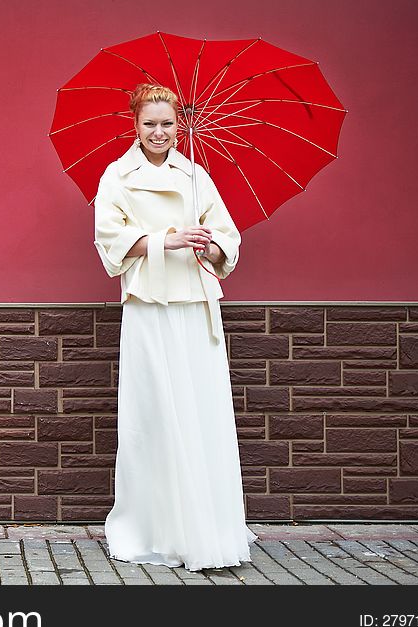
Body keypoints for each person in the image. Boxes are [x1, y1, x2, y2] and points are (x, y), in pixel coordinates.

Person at [95, 83, 257, 571]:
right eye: (150, 123)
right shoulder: (117, 175)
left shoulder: (195, 176)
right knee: (155, 411)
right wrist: (168, 238)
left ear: (179, 125)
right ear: (135, 124)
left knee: (200, 408)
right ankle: (155, 525)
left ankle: (207, 525)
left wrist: (206, 244)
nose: (159, 132)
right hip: (150, 305)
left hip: (195, 304)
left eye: (167, 123)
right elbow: (110, 241)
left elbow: (227, 236)